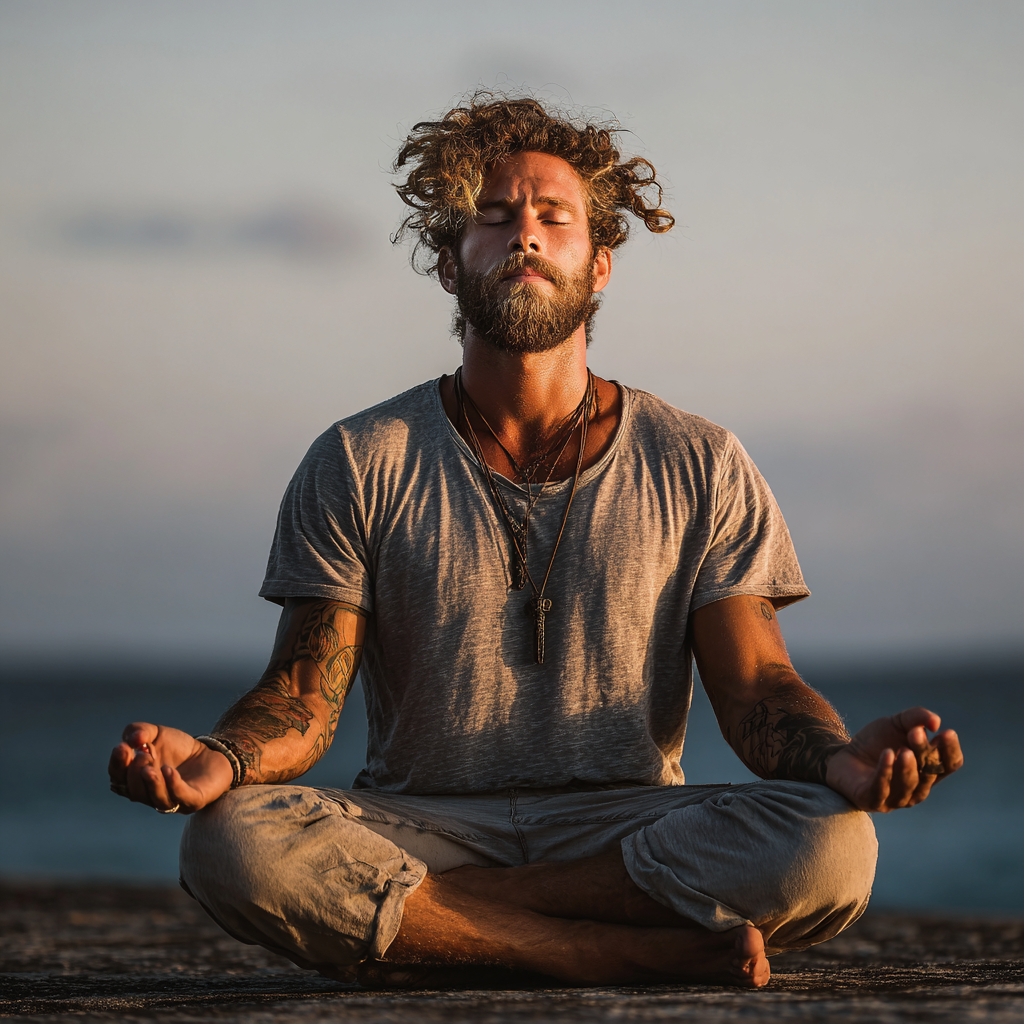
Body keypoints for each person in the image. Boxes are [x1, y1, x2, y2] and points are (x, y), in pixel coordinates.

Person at [108, 95, 963, 990]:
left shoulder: (699, 459)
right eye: (494, 217)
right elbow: (302, 694)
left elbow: (754, 686)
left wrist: (838, 759)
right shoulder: (362, 457)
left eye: (553, 218)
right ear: (448, 263)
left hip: (626, 825)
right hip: (415, 821)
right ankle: (606, 950)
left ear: (598, 267)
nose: (525, 236)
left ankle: (443, 926)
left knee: (832, 845)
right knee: (228, 843)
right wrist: (222, 759)